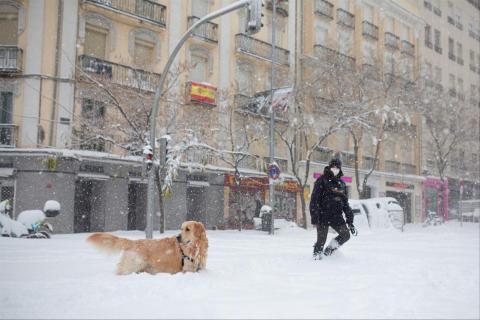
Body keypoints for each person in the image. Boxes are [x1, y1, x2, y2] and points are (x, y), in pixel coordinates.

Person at [309, 157, 357, 259]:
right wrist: (314, 216)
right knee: (321, 240)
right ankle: (316, 257)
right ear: (330, 167)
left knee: (345, 235)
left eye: (337, 167)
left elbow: (345, 204)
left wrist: (350, 221)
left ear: (340, 168)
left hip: (336, 216)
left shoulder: (342, 184)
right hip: (323, 215)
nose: (335, 168)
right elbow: (314, 200)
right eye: (333, 166)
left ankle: (328, 252)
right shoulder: (321, 180)